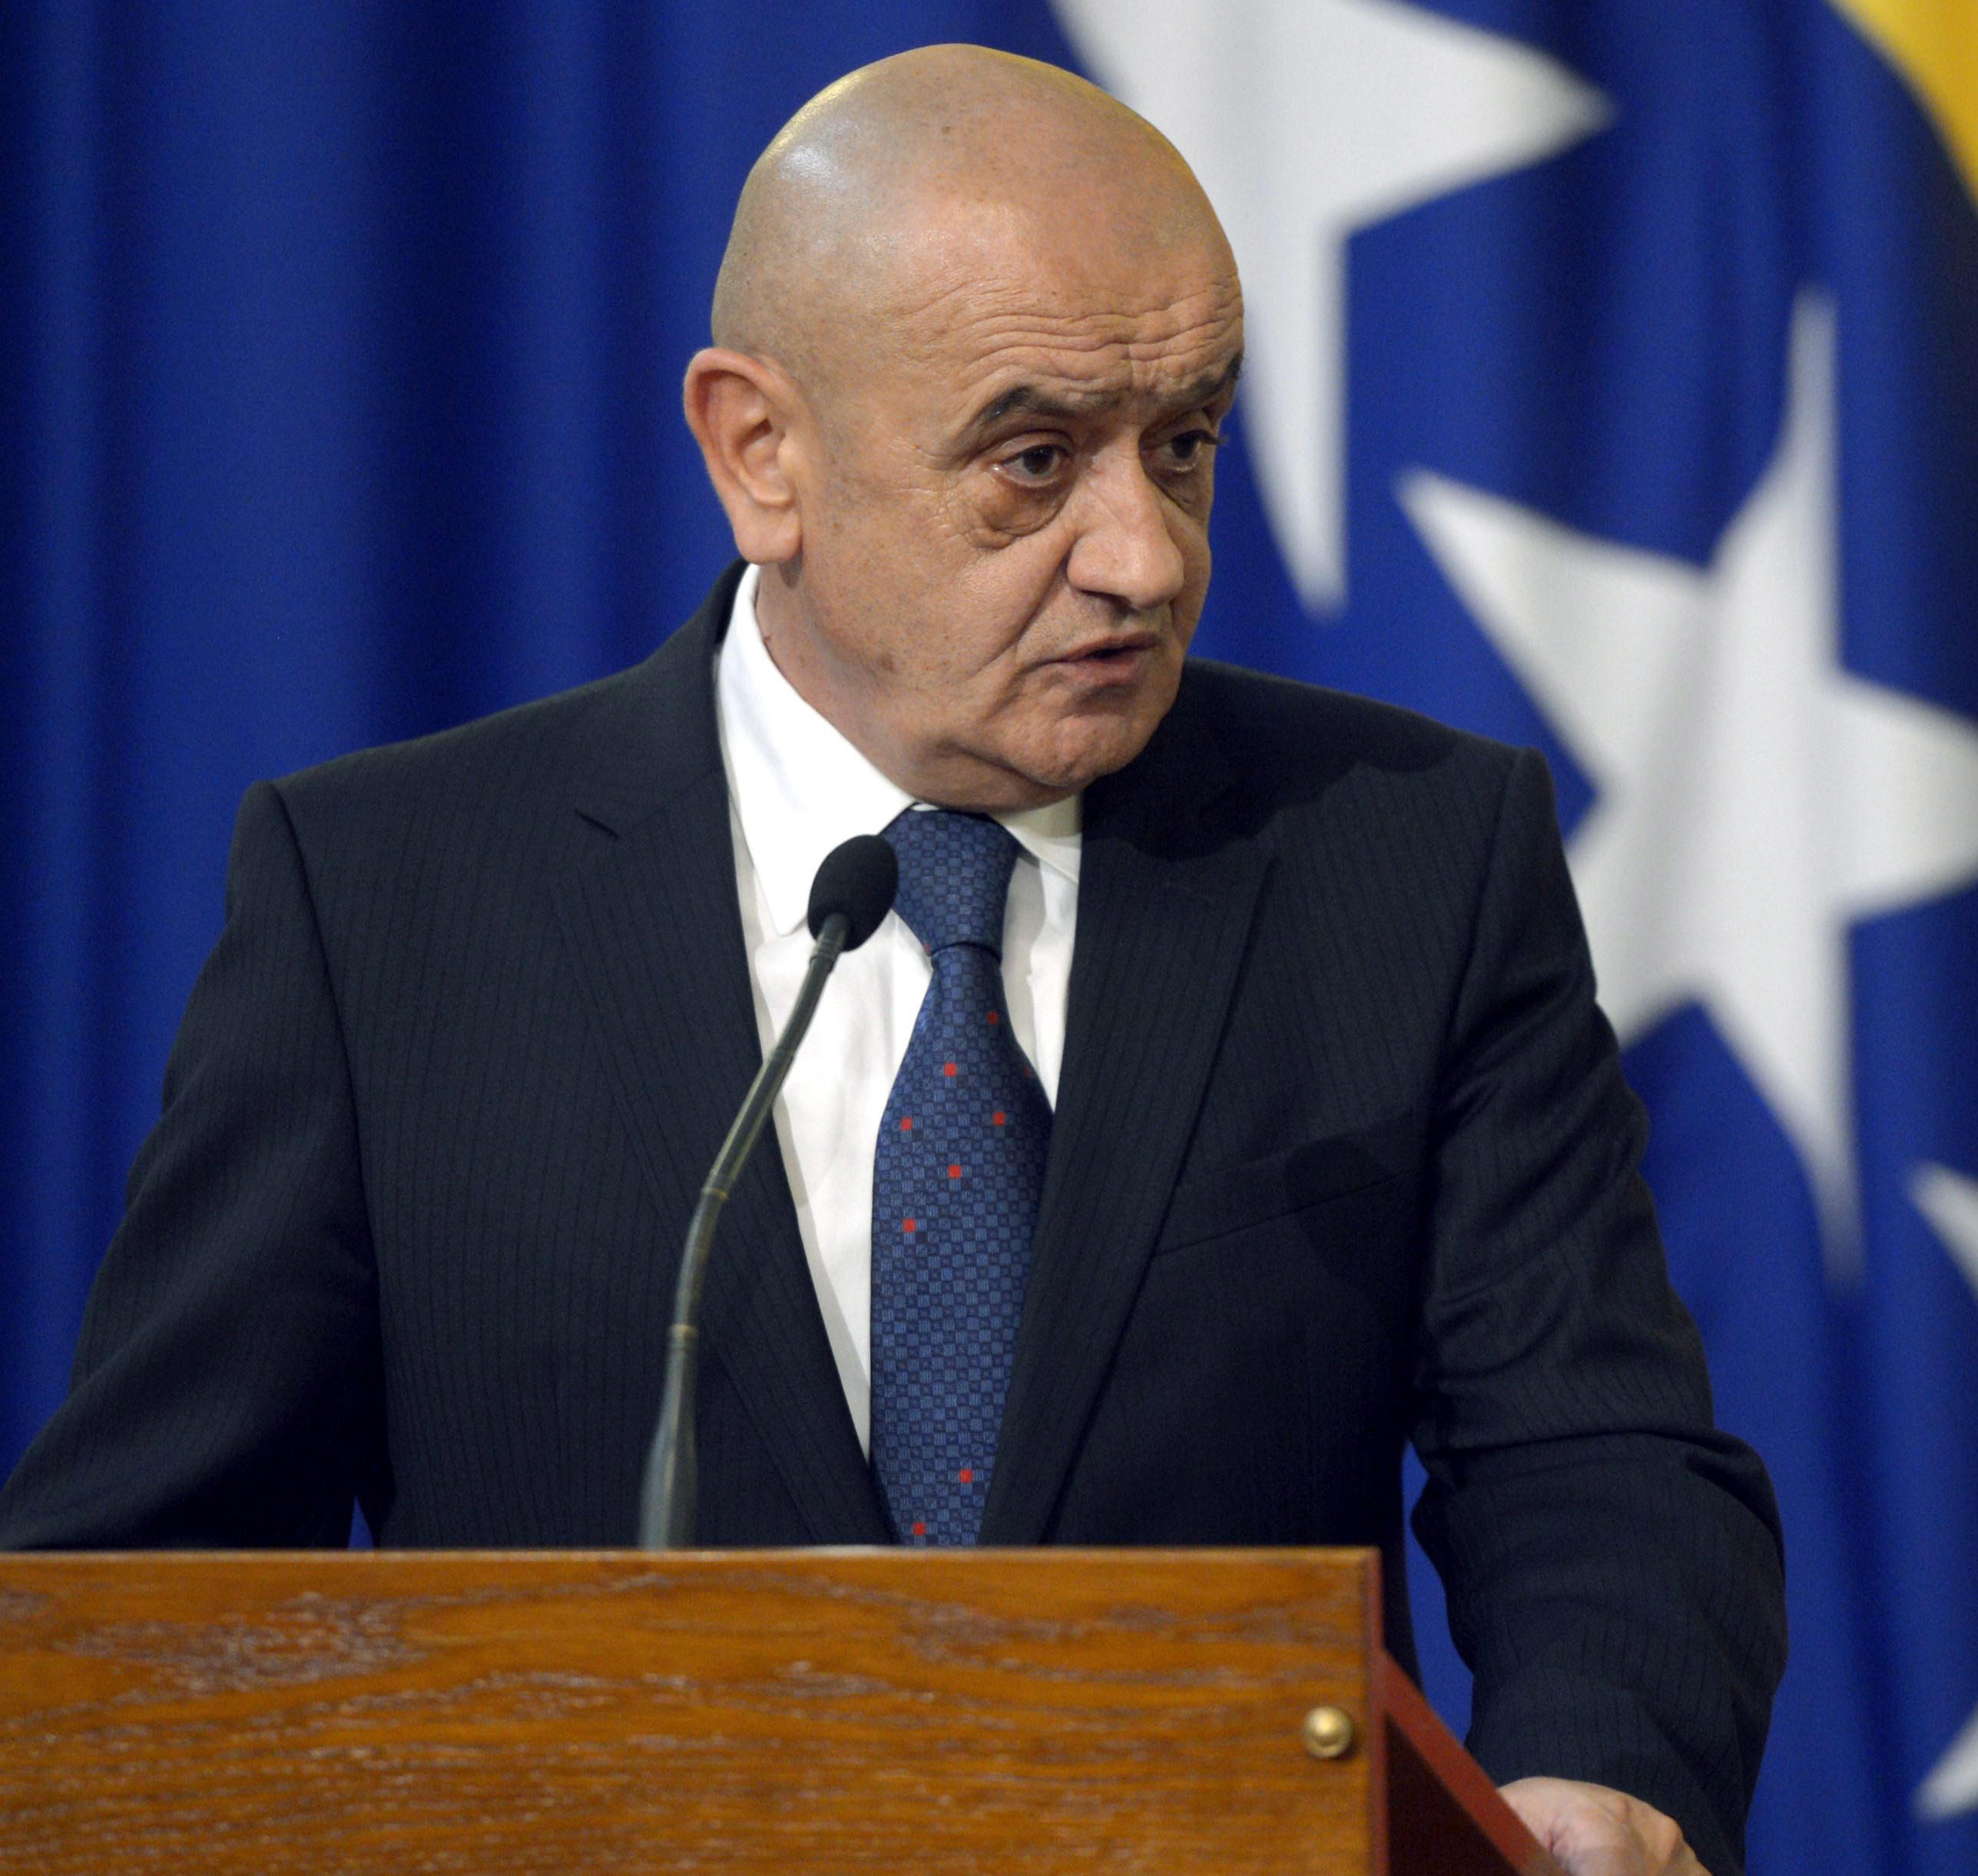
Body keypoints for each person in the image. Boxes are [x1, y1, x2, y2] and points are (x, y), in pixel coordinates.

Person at [0, 46, 1783, 1875]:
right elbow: (141, 1594)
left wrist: (1603, 1774)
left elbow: (1596, 1455)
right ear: (760, 454)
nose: (1146, 556)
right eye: (1035, 461)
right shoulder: (388, 903)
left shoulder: (1404, 857)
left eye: (1184, 443)